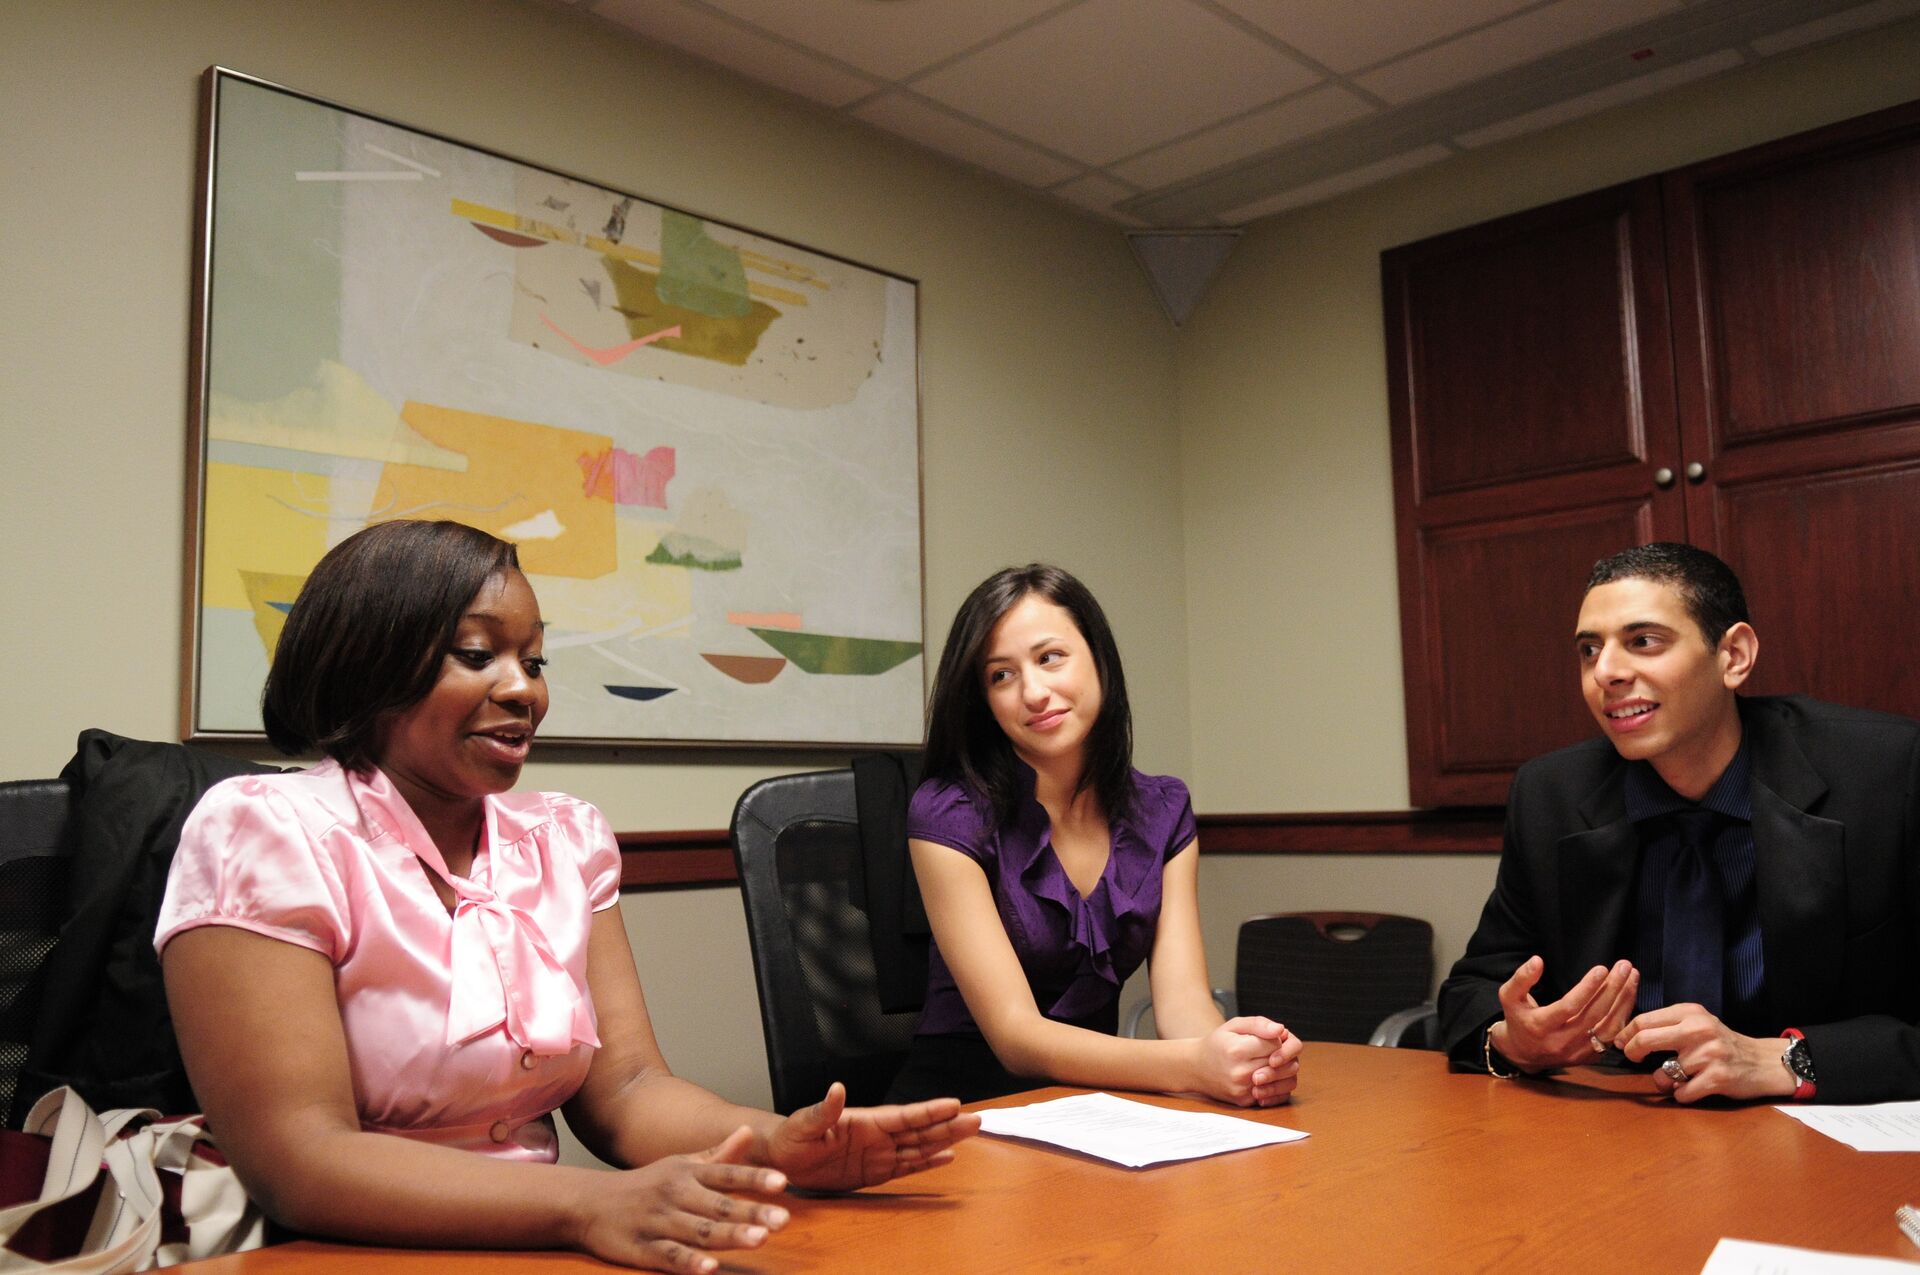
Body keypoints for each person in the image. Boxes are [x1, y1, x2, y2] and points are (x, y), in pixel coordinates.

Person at [157, 520, 977, 1274]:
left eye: (536, 660)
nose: (525, 691)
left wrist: (778, 1143)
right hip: (328, 1249)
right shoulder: (265, 830)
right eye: (477, 655)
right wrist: (590, 1205)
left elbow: (626, 1094)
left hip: (532, 1247)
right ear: (367, 662)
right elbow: (300, 1159)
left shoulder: (564, 838)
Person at [1437, 542, 1920, 1104]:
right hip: (1619, 1128)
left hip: (1815, 1132)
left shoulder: (1885, 774)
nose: (1607, 673)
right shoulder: (1552, 793)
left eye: (1643, 641)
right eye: (1589, 651)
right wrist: (1515, 1040)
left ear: (1733, 655)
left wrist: (1788, 1059)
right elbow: (1473, 990)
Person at [885, 564, 1303, 1106]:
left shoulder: (1163, 808)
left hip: (1093, 1106)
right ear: (983, 700)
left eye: (1049, 657)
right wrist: (1192, 1067)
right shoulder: (949, 812)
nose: (1034, 691)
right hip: (963, 1106)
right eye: (1001, 675)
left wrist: (1239, 1058)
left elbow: (1181, 1003)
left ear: (1098, 658)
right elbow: (1016, 1038)